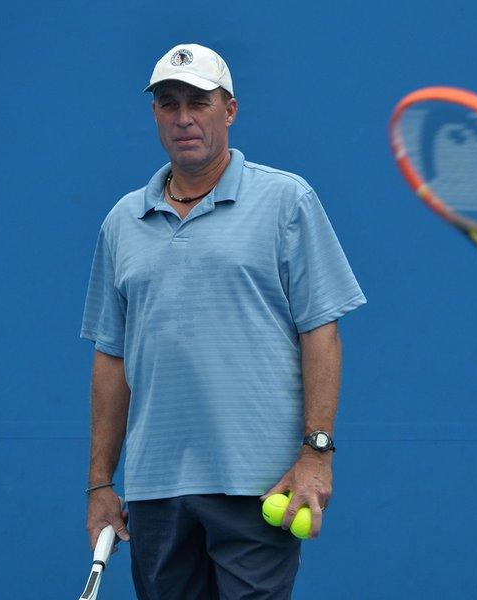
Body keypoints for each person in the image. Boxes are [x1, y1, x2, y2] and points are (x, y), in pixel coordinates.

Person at [80, 43, 365, 599]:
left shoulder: (286, 200)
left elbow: (321, 332)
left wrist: (317, 453)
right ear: (156, 114)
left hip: (258, 485)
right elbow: (111, 358)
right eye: (169, 103)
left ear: (228, 110)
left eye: (199, 102)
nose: (184, 118)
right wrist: (99, 483)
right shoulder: (122, 221)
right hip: (154, 488)